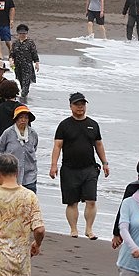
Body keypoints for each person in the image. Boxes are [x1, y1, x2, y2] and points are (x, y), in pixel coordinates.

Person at [49, 92, 110, 239]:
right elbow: (57, 146)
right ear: (71, 106)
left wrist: (105, 163)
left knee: (91, 200)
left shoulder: (93, 125)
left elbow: (99, 144)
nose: (80, 107)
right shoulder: (64, 125)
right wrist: (53, 165)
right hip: (69, 169)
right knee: (72, 202)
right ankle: (73, 229)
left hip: (89, 168)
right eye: (77, 104)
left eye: (82, 104)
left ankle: (89, 229)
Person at [0, 105, 39, 192]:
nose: (23, 120)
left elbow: (35, 147)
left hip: (29, 173)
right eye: (21, 117)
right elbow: (0, 150)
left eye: (26, 118)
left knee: (29, 201)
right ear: (16, 119)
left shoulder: (33, 134)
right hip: (11, 174)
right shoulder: (8, 133)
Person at [0, 79, 22, 157]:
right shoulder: (22, 108)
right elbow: (28, 127)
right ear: (16, 92)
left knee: (1, 166)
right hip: (17, 142)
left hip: (1, 142)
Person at [11, 24, 39, 101]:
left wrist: (37, 63)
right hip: (18, 66)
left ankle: (23, 99)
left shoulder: (30, 42)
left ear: (26, 33)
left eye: (24, 33)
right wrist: (11, 61)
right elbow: (12, 54)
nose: (22, 35)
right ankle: (24, 98)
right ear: (18, 33)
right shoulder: (15, 43)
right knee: (21, 82)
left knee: (26, 83)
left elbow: (34, 53)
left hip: (27, 66)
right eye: (20, 33)